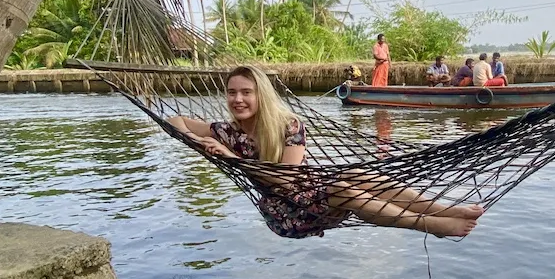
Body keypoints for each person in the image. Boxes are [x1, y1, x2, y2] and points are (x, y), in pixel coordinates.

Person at [168, 66, 482, 239]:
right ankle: (433, 226)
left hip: (307, 190)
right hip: (286, 212)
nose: (238, 99)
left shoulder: (289, 125)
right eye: (232, 92)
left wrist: (231, 158)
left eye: (246, 92)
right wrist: (200, 143)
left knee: (357, 174)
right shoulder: (226, 131)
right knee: (344, 187)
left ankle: (440, 211)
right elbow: (174, 119)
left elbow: (287, 178)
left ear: (261, 94)